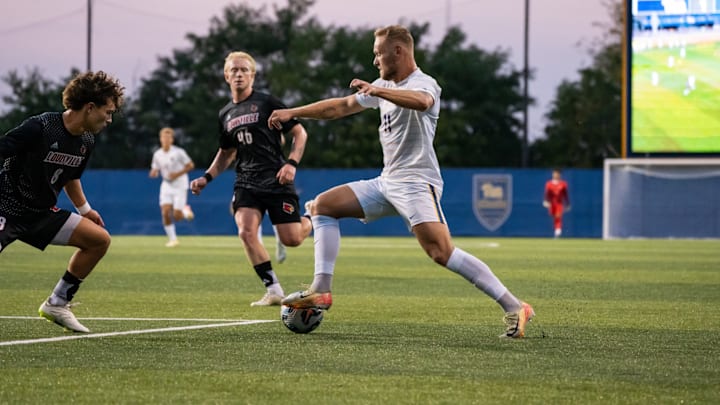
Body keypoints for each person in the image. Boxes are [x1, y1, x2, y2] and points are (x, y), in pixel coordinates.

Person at [268, 25, 534, 338]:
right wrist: (292, 112)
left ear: (398, 51)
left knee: (441, 252)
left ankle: (516, 306)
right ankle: (321, 290)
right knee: (323, 205)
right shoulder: (381, 85)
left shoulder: (424, 83)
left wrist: (378, 91)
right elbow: (339, 106)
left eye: (378, 53)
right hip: (387, 182)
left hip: (417, 183)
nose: (375, 60)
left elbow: (422, 102)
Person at [0, 71, 125, 333]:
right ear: (90, 107)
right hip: (7, 208)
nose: (110, 119)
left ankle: (57, 303)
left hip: (40, 214)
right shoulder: (41, 127)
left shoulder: (87, 140)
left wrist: (85, 210)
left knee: (99, 240)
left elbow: (71, 178)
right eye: (108, 111)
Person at [191, 51, 312, 307]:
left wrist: (291, 163)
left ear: (252, 75)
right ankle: (274, 290)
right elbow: (227, 152)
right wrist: (207, 177)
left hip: (276, 178)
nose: (238, 74)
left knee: (293, 239)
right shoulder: (225, 114)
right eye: (233, 70)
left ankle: (313, 217)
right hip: (246, 182)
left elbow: (300, 133)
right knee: (246, 232)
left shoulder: (268, 103)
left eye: (244, 70)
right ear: (226, 76)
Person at [149, 127, 195, 247]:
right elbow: (156, 167)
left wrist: (177, 174)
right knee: (165, 212)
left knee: (177, 216)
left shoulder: (178, 152)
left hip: (180, 184)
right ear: (160, 139)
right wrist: (154, 172)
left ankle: (185, 211)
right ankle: (173, 239)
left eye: (168, 138)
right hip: (166, 185)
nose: (165, 140)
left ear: (172, 140)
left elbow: (190, 165)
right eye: (163, 137)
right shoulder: (157, 154)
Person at [543, 169, 570, 238]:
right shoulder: (549, 184)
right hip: (552, 204)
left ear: (560, 175)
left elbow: (565, 194)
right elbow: (547, 193)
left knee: (558, 217)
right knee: (554, 217)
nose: (556, 175)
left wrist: (567, 204)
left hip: (559, 204)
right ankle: (557, 230)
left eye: (557, 174)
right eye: (554, 173)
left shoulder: (563, 184)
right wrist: (545, 201)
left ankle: (558, 232)